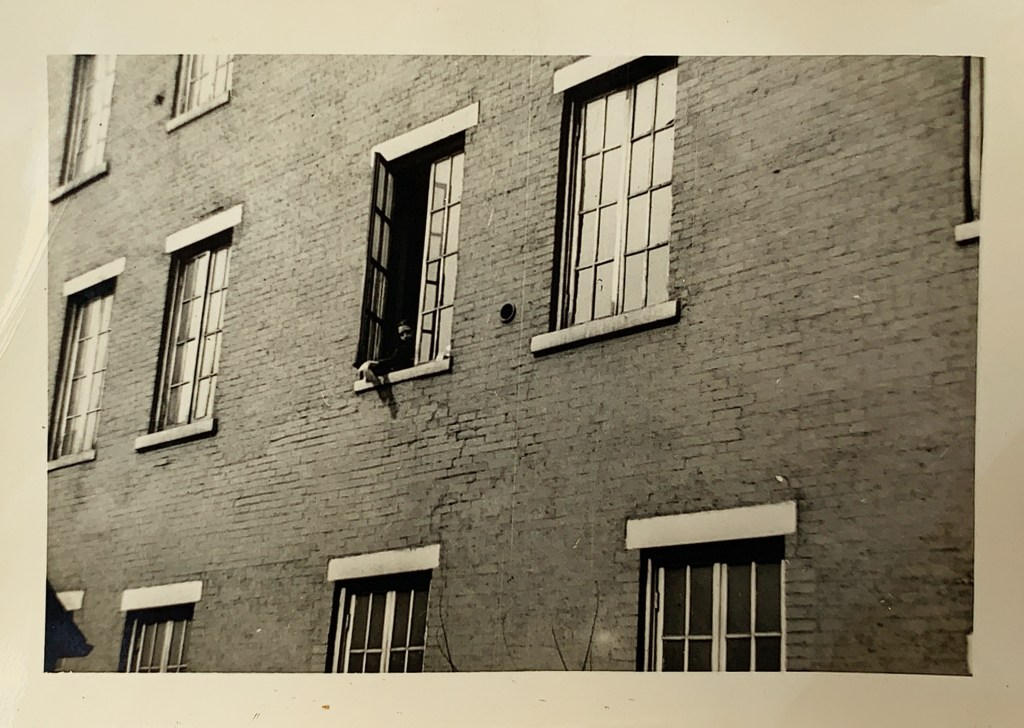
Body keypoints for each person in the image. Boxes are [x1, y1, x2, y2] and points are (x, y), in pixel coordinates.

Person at [358, 320, 415, 385]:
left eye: (408, 332)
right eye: (401, 334)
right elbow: (393, 360)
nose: (405, 336)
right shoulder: (402, 349)